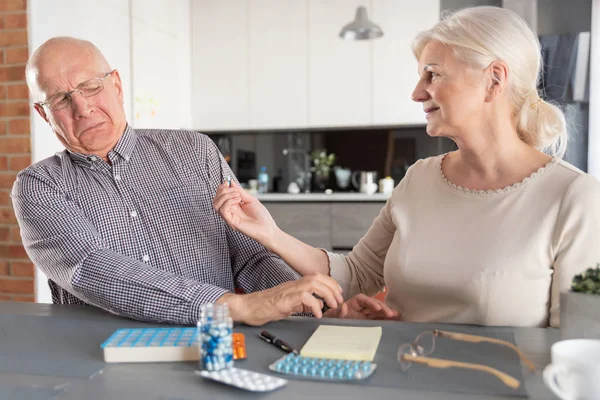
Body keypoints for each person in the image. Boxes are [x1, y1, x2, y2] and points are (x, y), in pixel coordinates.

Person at [214, 6, 600, 328]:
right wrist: (270, 233)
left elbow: (577, 345)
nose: (417, 92)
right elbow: (356, 275)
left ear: (493, 80)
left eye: (433, 74)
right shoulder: (420, 178)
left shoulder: (574, 198)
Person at [13, 36, 397, 326]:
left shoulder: (194, 150)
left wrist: (311, 308)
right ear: (43, 114)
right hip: (104, 356)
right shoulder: (38, 186)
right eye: (61, 100)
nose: (82, 108)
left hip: (217, 349)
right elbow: (90, 268)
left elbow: (248, 255)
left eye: (91, 87)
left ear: (115, 84)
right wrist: (237, 306)